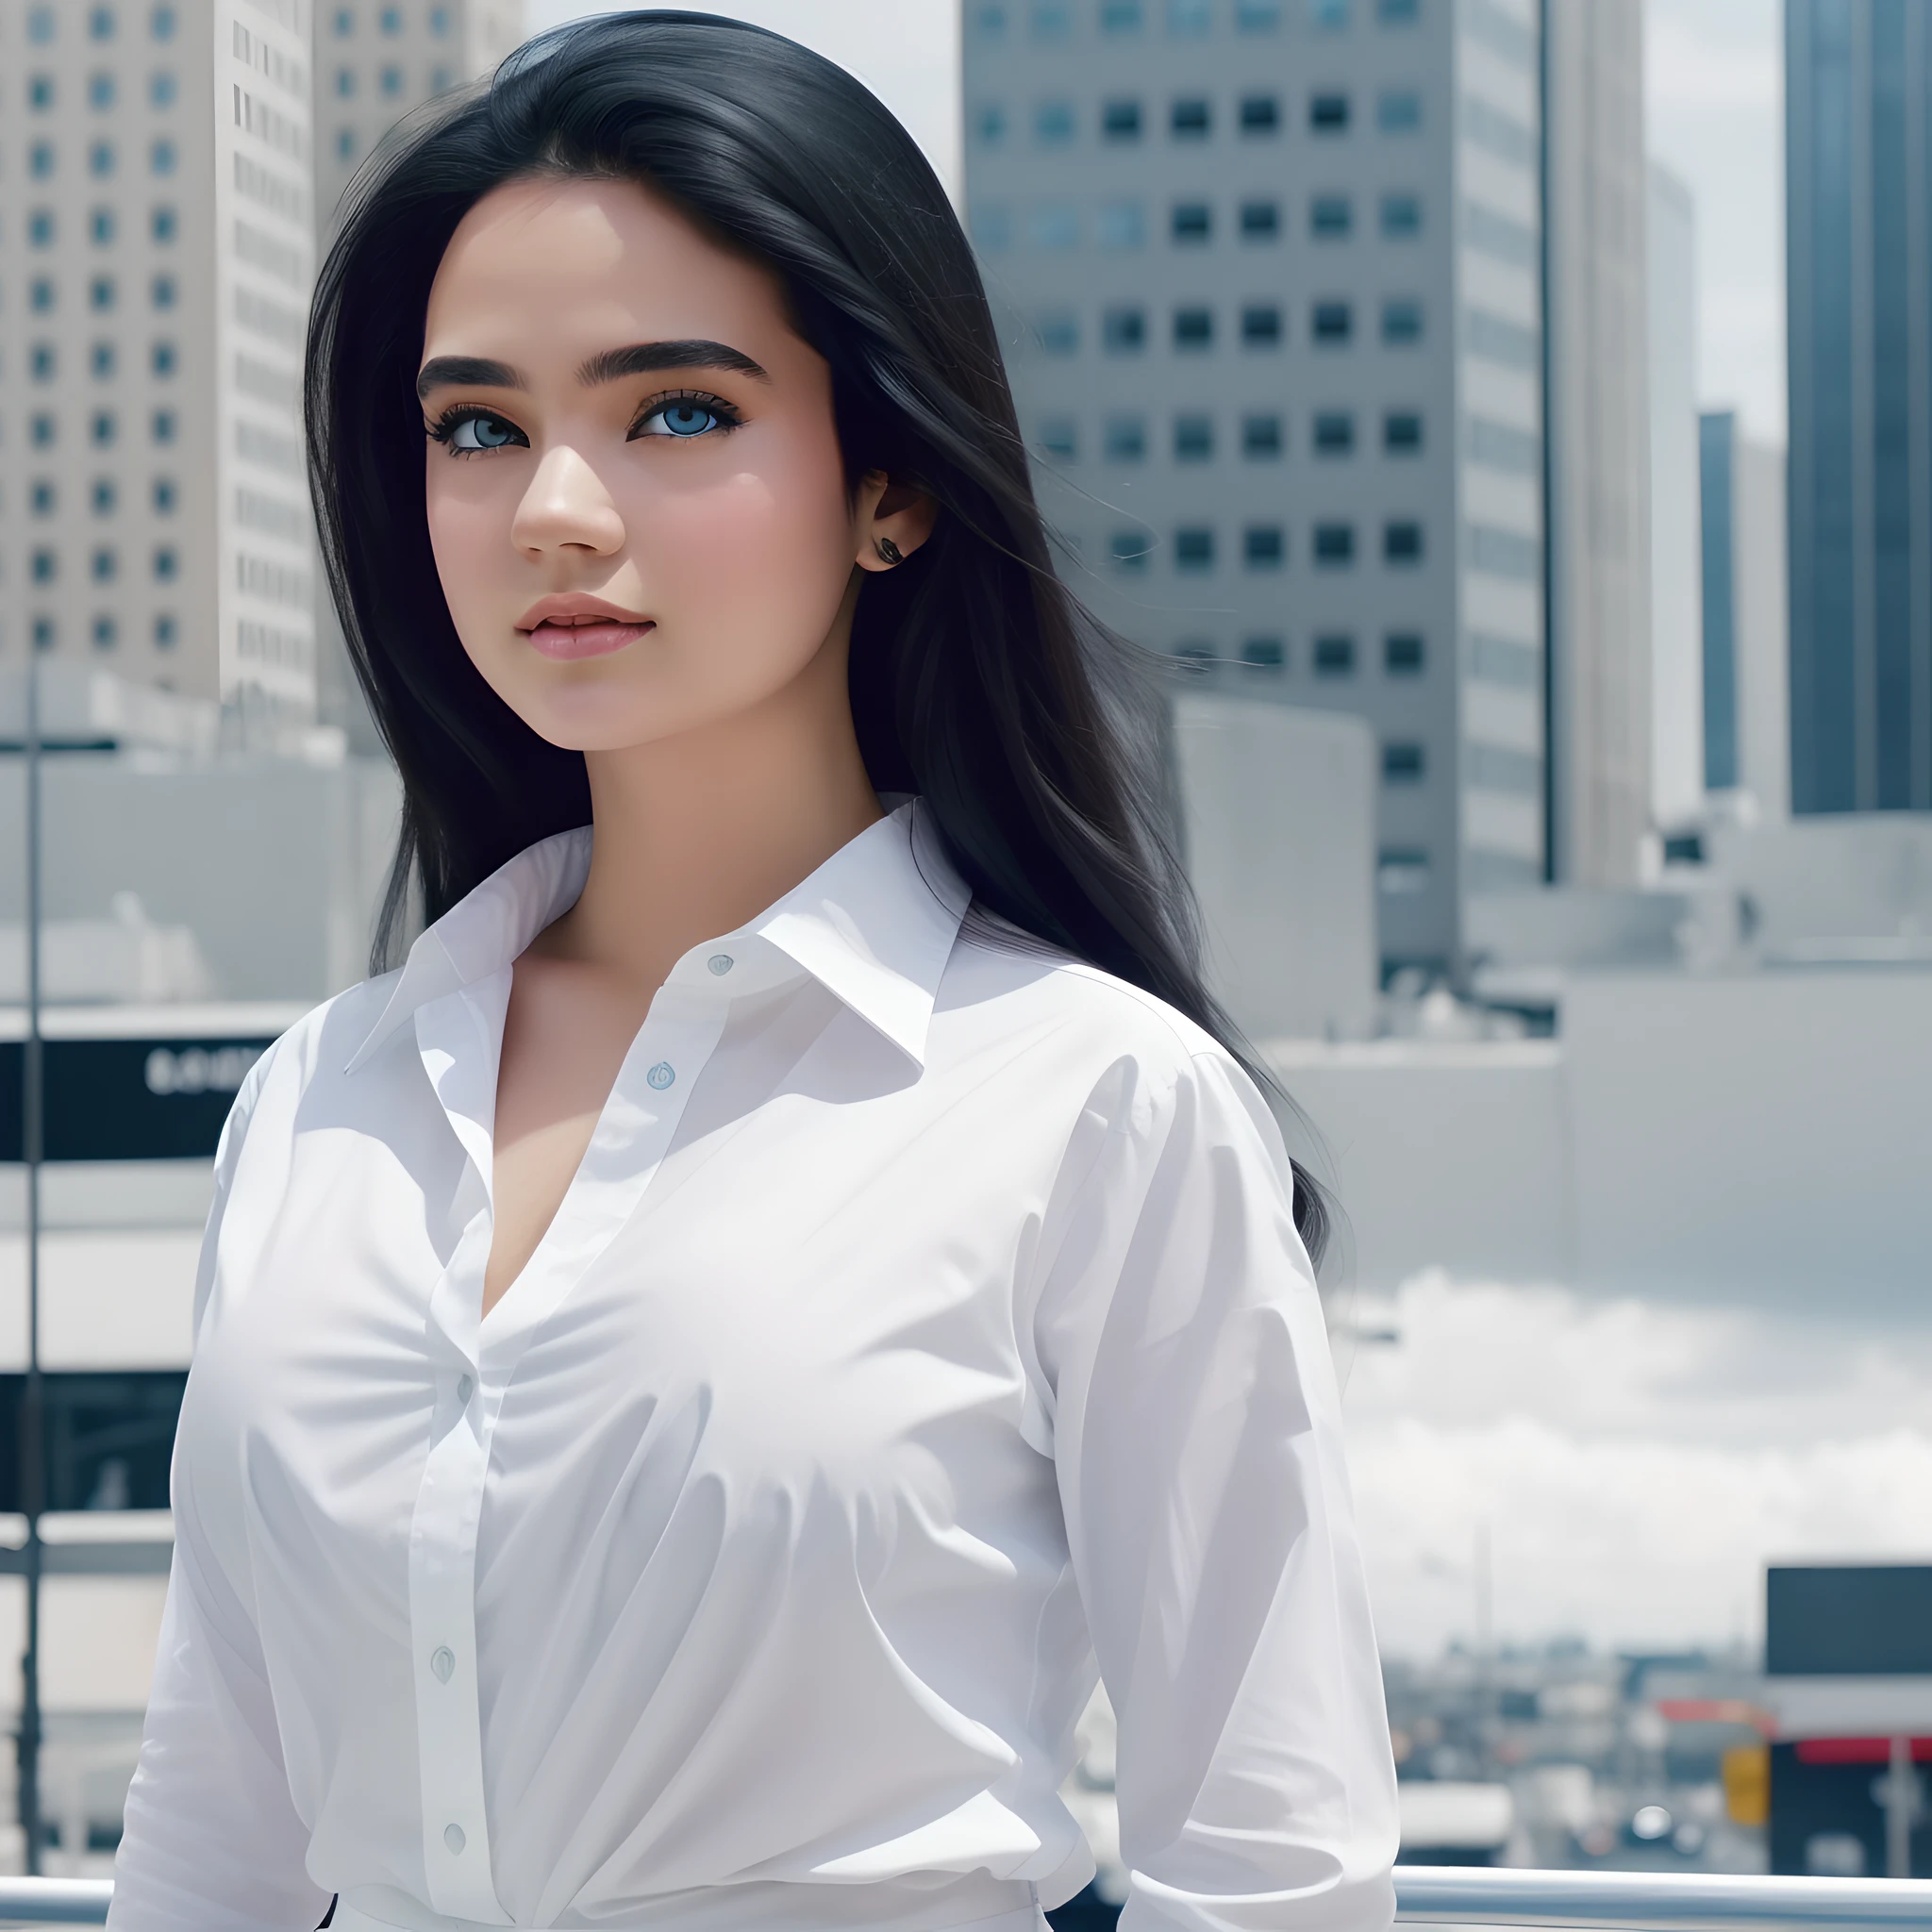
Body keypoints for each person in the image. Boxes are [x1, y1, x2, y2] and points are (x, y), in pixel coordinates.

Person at [109, 15, 1397, 1931]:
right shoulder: (321, 1104)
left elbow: (1270, 1869)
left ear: (893, 485)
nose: (554, 504)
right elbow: (215, 1831)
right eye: (476, 424)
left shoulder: (1087, 1106)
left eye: (676, 411)